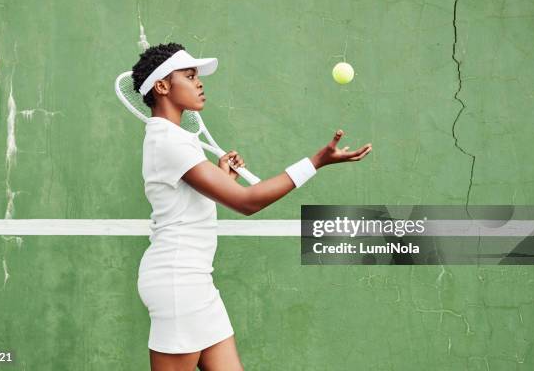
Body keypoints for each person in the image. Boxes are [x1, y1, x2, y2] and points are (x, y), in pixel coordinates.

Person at [132, 42, 372, 371]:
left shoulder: (174, 139)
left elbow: (185, 203)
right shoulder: (167, 141)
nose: (199, 83)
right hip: (177, 283)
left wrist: (220, 177)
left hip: (196, 280)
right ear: (162, 86)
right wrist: (316, 162)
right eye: (189, 76)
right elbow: (247, 202)